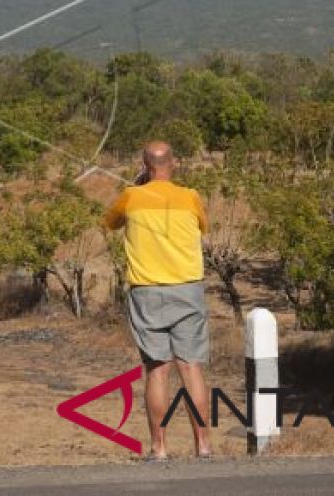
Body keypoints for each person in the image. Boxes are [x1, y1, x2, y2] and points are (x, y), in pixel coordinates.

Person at [103, 140, 212, 460]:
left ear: (144, 165)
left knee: (158, 369)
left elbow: (108, 223)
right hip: (187, 288)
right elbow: (203, 226)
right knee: (190, 367)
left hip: (147, 291)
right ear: (173, 163)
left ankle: (159, 447)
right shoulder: (190, 196)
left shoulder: (131, 197)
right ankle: (203, 445)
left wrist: (136, 188)